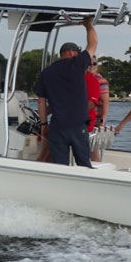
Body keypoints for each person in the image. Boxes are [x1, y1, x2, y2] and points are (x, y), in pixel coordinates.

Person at [35, 17, 97, 167]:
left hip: (57, 126)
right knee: (84, 164)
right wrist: (88, 26)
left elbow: (41, 101)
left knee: (60, 166)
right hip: (77, 125)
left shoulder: (46, 73)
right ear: (71, 52)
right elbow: (93, 43)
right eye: (77, 52)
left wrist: (44, 125)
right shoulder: (77, 64)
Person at [89, 56, 109, 162]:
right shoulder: (83, 78)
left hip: (95, 122)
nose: (92, 66)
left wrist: (102, 121)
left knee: (93, 150)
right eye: (89, 63)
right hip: (86, 121)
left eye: (94, 64)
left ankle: (98, 171)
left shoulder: (101, 81)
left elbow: (106, 102)